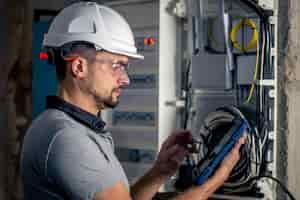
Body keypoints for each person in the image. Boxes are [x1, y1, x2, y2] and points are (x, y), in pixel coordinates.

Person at [20, 2, 246, 200]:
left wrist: (159, 172)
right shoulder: (68, 139)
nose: (126, 79)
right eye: (116, 65)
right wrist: (212, 184)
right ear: (79, 67)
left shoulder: (71, 128)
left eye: (125, 67)